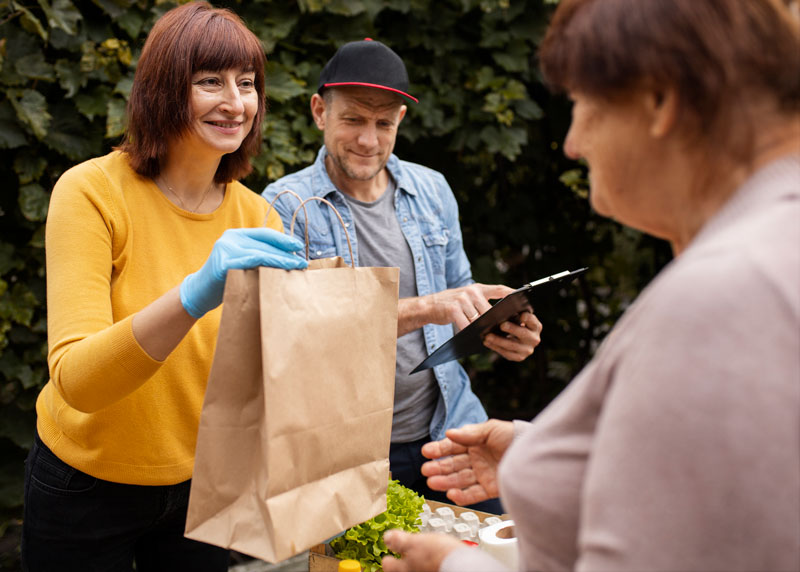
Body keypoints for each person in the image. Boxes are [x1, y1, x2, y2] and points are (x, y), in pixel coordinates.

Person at [381, 0, 800, 570]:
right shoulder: (770, 246)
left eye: (582, 104)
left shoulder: (725, 291)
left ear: (660, 100)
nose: (572, 142)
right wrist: (547, 456)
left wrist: (453, 565)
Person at [21, 3, 308, 571]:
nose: (235, 102)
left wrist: (428, 314)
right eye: (210, 82)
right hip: (83, 485)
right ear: (163, 90)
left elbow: (278, 360)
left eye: (246, 83)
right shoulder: (90, 192)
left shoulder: (258, 218)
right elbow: (77, 382)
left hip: (203, 486)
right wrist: (193, 294)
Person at [262, 39, 543, 511]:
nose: (368, 140)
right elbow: (298, 336)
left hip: (451, 433)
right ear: (319, 111)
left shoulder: (432, 190)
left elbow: (462, 295)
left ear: (400, 122)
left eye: (383, 123)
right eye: (353, 119)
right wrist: (429, 307)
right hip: (345, 456)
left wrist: (504, 329)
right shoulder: (285, 207)